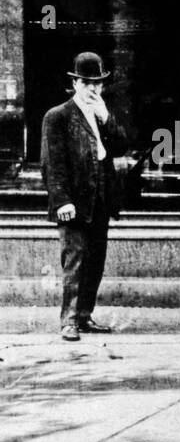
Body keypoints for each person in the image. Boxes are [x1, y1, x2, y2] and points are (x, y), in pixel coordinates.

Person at [40, 52, 128, 342]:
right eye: (87, 82)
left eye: (98, 83)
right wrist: (62, 200)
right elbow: (53, 164)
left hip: (101, 200)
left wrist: (106, 116)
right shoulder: (58, 116)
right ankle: (68, 321)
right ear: (75, 83)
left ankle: (84, 315)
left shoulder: (102, 114)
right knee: (74, 261)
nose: (93, 89)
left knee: (95, 261)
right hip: (74, 203)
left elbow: (121, 146)